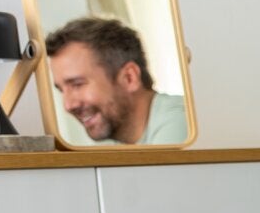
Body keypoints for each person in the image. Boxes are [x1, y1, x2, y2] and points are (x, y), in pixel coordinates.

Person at [44, 16, 189, 145]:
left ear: (129, 78)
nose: (68, 105)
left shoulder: (180, 122)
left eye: (77, 85)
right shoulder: (110, 142)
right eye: (61, 90)